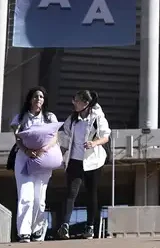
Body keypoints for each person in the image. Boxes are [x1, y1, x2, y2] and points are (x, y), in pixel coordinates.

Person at [55, 90, 112, 240]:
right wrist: (59, 156)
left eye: (77, 100)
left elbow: (105, 136)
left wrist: (94, 143)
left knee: (91, 194)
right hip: (74, 160)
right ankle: (65, 226)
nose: (74, 103)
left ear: (86, 103)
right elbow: (65, 138)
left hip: (93, 162)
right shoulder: (72, 119)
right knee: (71, 193)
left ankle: (90, 226)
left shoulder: (97, 117)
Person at [9, 87, 58, 243]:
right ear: (30, 99)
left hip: (44, 158)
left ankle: (37, 229)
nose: (39, 99)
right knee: (25, 196)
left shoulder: (50, 117)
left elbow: (55, 137)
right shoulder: (20, 117)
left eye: (42, 97)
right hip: (24, 159)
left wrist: (43, 149)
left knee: (39, 198)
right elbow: (17, 137)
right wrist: (26, 150)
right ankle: (24, 232)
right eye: (36, 97)